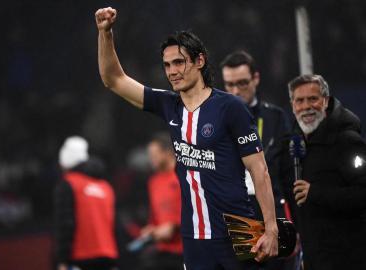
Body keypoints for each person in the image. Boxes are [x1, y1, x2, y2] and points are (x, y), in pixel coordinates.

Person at [95, 7, 278, 270]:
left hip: (239, 232)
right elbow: (113, 79)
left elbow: (259, 170)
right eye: (167, 65)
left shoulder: (231, 107)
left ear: (199, 61)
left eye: (179, 62)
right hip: (194, 239)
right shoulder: (168, 104)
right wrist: (106, 33)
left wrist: (271, 229)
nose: (172, 71)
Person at [280, 74, 366, 269]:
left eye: (313, 99)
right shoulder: (293, 145)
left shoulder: (347, 141)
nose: (306, 106)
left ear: (325, 101)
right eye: (299, 100)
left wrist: (316, 193)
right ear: (292, 105)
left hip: (349, 259)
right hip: (313, 259)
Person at [220, 51, 293, 270]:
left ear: (256, 79)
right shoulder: (216, 120)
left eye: (242, 83)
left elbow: (288, 174)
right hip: (237, 214)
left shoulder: (275, 117)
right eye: (229, 84)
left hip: (272, 210)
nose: (235, 91)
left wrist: (294, 225)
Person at [54, 136, 118, 270]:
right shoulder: (106, 187)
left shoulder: (69, 184)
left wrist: (62, 260)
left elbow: (66, 224)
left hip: (80, 259)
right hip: (109, 258)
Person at [138, 133, 183, 270]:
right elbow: (155, 213)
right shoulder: (153, 181)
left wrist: (174, 226)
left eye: (154, 154)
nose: (151, 159)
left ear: (167, 152)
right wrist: (151, 227)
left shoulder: (184, 176)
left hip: (186, 249)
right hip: (163, 250)